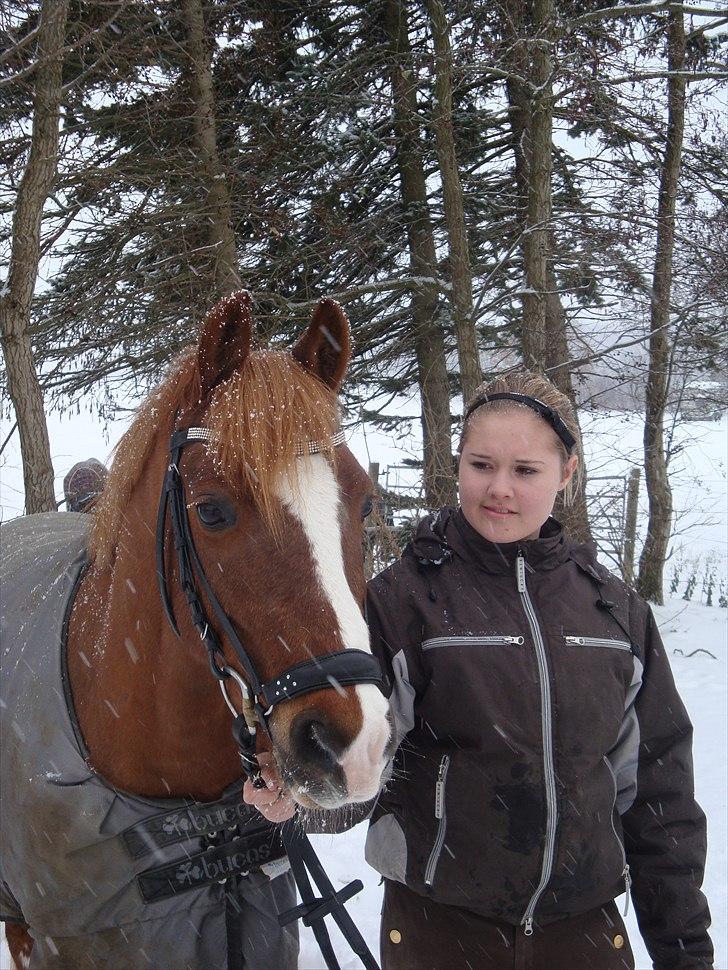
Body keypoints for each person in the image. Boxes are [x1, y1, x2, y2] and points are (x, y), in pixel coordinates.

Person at [245, 370, 713, 970]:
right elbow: (363, 761)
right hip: (440, 931)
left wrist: (685, 950)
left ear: (567, 474)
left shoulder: (613, 613)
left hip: (585, 934)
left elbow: (657, 797)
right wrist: (303, 799)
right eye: (481, 464)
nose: (499, 490)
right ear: (458, 462)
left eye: (526, 471)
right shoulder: (402, 601)